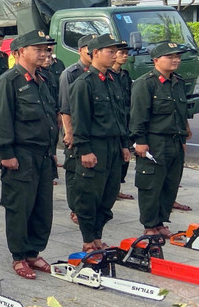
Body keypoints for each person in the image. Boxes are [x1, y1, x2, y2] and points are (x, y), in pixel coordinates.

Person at [0, 31, 59, 279]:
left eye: (46, 50)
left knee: (42, 207)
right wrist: (6, 153)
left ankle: (34, 251)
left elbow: (49, 117)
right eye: (38, 49)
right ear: (20, 52)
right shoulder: (9, 81)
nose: (44, 54)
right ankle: (19, 255)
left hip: (42, 154)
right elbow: (3, 120)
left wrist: (52, 151)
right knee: (20, 206)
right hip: (21, 154)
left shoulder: (43, 79)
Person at [69, 34, 131, 251]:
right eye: (110, 51)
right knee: (89, 196)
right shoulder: (84, 83)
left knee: (109, 194)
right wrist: (84, 149)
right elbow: (80, 119)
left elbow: (120, 115)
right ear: (95, 53)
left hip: (113, 146)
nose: (114, 55)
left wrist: (125, 145)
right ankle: (88, 241)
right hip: (94, 146)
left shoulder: (114, 80)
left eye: (115, 51)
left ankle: (97, 236)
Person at [130, 42, 192, 235]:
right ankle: (149, 225)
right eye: (170, 56)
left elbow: (181, 112)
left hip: (174, 140)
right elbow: (138, 115)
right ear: (156, 60)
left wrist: (183, 136)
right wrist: (140, 141)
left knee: (170, 183)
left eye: (178, 57)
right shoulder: (145, 83)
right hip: (155, 141)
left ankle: (160, 222)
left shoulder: (178, 82)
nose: (176, 60)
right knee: (151, 185)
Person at [59, 34, 96, 224]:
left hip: (93, 131)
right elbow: (66, 107)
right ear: (81, 50)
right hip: (75, 130)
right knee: (74, 170)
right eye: (89, 47)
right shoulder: (71, 73)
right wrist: (69, 132)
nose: (92, 51)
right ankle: (75, 208)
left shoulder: (99, 73)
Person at [111, 48, 135, 201]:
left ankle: (118, 186)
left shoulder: (125, 75)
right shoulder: (108, 76)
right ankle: (113, 188)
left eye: (127, 53)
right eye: (122, 53)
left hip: (126, 120)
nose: (125, 56)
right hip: (114, 122)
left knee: (125, 156)